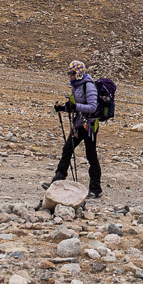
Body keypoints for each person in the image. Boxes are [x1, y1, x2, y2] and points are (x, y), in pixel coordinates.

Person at [49, 61, 103, 198]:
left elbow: (92, 107)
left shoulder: (88, 86)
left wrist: (75, 106)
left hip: (89, 126)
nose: (70, 76)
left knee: (91, 155)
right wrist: (63, 108)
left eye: (72, 73)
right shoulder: (76, 86)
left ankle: (96, 189)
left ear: (79, 73)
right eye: (69, 73)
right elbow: (75, 106)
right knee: (67, 149)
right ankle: (58, 180)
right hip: (79, 125)